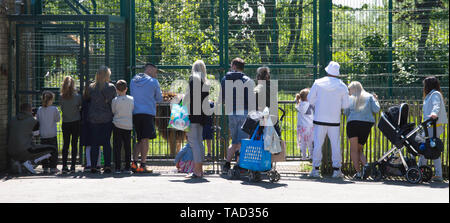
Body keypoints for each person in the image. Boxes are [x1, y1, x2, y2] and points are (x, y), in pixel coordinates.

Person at [307, 61, 350, 178]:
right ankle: (337, 170)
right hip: (334, 120)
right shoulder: (342, 86)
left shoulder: (318, 83)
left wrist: (319, 103)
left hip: (319, 119)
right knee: (335, 145)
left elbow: (310, 99)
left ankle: (315, 170)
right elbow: (346, 105)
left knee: (318, 144)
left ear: (327, 70)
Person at [220, 58, 255, 174]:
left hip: (231, 112)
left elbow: (222, 97)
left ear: (234, 66)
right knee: (243, 141)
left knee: (234, 140)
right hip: (244, 112)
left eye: (231, 66)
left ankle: (226, 164)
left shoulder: (225, 80)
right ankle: (239, 165)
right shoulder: (247, 80)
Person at [130, 63, 163, 173]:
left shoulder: (133, 80)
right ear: (150, 70)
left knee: (139, 139)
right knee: (145, 140)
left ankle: (134, 163)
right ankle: (143, 164)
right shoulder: (154, 82)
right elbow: (159, 98)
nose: (156, 74)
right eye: (155, 71)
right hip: (148, 113)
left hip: (135, 113)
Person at [344, 81, 380, 179]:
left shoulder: (349, 98)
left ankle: (359, 172)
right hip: (366, 124)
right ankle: (367, 167)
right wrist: (376, 100)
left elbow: (346, 112)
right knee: (359, 149)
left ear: (352, 89)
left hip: (353, 124)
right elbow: (376, 110)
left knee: (354, 150)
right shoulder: (370, 96)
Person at [8, 103, 58, 174]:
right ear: (29, 110)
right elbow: (37, 134)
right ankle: (30, 162)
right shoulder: (32, 121)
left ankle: (19, 162)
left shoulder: (12, 120)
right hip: (25, 150)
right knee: (53, 149)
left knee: (28, 148)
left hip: (11, 151)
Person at [85, 66, 117, 173]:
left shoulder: (91, 87)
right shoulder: (111, 87)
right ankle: (107, 165)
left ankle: (94, 166)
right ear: (107, 75)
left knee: (94, 143)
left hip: (93, 119)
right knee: (106, 142)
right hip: (107, 118)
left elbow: (87, 100)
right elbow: (114, 101)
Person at [184, 59, 211, 178]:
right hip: (202, 115)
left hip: (192, 115)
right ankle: (200, 170)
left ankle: (197, 171)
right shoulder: (205, 82)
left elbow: (187, 98)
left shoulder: (193, 79)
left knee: (193, 143)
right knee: (199, 142)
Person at [418, 76, 447, 182]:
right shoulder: (430, 95)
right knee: (431, 149)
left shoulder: (435, 94)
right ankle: (435, 173)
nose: (424, 87)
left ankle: (420, 170)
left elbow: (436, 105)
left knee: (426, 148)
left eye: (425, 85)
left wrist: (434, 113)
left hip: (434, 126)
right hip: (430, 126)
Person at [60, 76, 82, 173]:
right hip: (76, 122)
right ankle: (73, 166)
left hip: (65, 122)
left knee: (66, 144)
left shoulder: (61, 97)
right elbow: (80, 106)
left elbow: (62, 108)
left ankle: (64, 166)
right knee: (74, 144)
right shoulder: (77, 96)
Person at [112, 80, 134, 174]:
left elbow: (113, 111)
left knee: (117, 147)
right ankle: (127, 167)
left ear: (116, 90)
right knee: (127, 146)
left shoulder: (115, 100)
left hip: (117, 125)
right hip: (128, 125)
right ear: (126, 89)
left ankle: (117, 167)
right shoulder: (131, 99)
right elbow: (132, 109)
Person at [36, 91, 61, 174]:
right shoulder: (54, 109)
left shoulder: (39, 109)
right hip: (52, 133)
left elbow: (38, 120)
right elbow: (58, 119)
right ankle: (53, 167)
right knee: (53, 151)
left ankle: (45, 167)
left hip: (43, 134)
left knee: (44, 151)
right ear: (50, 100)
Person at [80, 84, 101, 172]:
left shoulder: (83, 100)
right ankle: (98, 163)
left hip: (86, 124)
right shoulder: (96, 99)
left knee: (88, 145)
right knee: (97, 144)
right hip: (96, 123)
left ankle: (89, 164)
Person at [295, 88, 314, 161]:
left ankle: (303, 156)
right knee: (310, 142)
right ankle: (311, 156)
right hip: (310, 126)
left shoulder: (299, 105)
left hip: (301, 127)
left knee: (303, 143)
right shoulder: (310, 105)